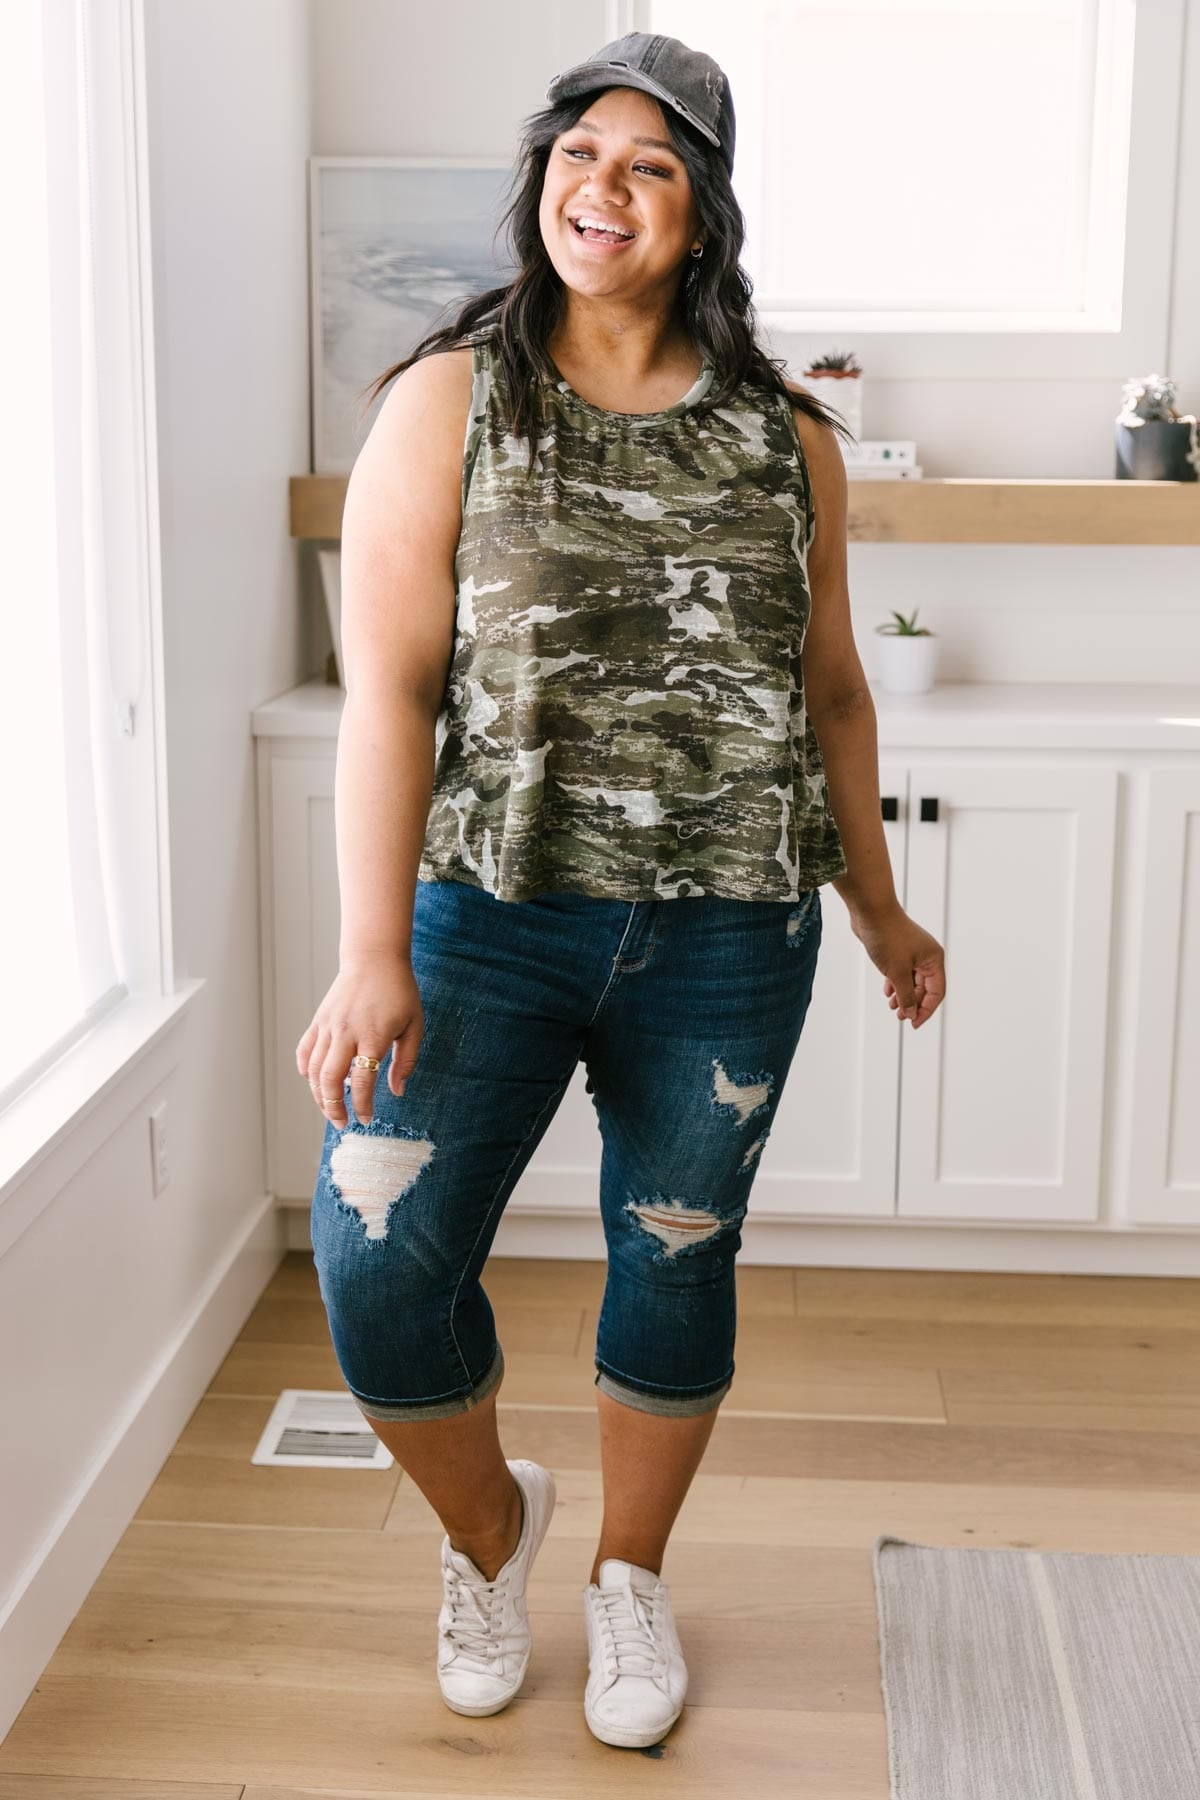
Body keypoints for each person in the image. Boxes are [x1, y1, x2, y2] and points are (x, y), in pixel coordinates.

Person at [296, 30, 946, 1752]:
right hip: (487, 913)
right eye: (582, 152)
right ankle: (490, 1535)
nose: (607, 186)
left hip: (730, 929)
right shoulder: (451, 401)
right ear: (542, 180)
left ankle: (632, 1578)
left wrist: (879, 905)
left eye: (652, 164)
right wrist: (371, 947)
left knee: (676, 1255)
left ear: (702, 211)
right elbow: (389, 693)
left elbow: (831, 692)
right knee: (378, 1264)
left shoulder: (787, 435)